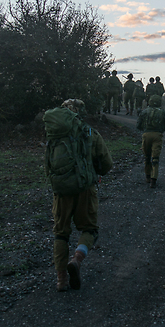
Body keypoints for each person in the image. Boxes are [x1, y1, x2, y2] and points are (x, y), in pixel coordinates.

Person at [43, 99, 113, 292]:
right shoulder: (90, 132)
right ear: (80, 113)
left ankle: (61, 279)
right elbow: (107, 164)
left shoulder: (55, 136)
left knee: (61, 234)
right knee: (90, 229)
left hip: (62, 191)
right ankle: (77, 259)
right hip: (85, 189)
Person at [136, 95, 165, 188]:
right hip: (157, 136)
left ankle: (147, 176)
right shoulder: (162, 112)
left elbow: (138, 126)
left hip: (146, 135)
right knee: (155, 158)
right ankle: (153, 179)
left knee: (147, 157)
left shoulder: (144, 112)